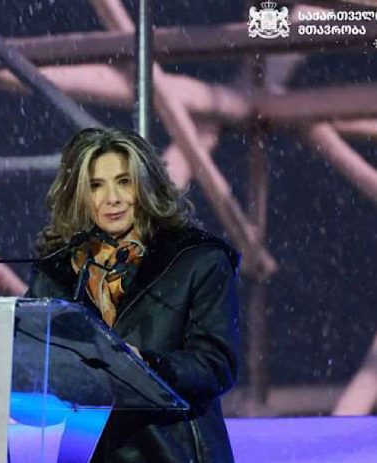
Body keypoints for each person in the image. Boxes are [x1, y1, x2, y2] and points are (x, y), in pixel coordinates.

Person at [26, 127, 239, 462]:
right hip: (89, 451)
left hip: (172, 451)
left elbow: (215, 365)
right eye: (96, 186)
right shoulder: (59, 273)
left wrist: (146, 365)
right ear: (79, 195)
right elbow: (32, 360)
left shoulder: (198, 260)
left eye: (124, 182)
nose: (112, 198)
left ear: (146, 185)